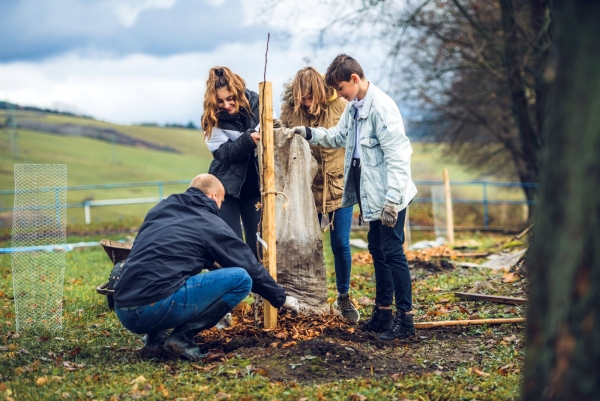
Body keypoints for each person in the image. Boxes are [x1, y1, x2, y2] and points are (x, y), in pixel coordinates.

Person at [284, 54, 417, 341]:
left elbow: (399, 157)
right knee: (378, 251)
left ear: (354, 79)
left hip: (389, 196)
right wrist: (306, 132)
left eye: (341, 88)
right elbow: (336, 137)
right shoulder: (355, 108)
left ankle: (405, 323)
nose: (340, 95)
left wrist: (392, 201)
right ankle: (382, 315)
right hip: (370, 194)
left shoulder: (381, 108)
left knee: (393, 252)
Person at [113, 174, 298, 360]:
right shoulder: (210, 222)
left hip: (124, 309)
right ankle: (181, 339)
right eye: (222, 201)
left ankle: (154, 340)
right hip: (153, 309)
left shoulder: (161, 209)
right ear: (214, 197)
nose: (221, 207)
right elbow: (248, 266)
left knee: (166, 273)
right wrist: (280, 298)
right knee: (241, 279)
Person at [279, 67, 359, 323]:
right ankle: (301, 295)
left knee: (340, 245)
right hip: (304, 189)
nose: (307, 103)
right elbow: (281, 138)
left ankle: (344, 296)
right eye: (302, 98)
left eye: (310, 97)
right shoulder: (290, 111)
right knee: (301, 242)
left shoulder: (341, 108)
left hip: (338, 186)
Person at [202, 67, 262, 259]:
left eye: (230, 98)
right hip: (226, 188)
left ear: (238, 92)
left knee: (258, 244)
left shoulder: (259, 103)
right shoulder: (211, 119)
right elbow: (226, 154)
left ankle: (258, 286)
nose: (226, 105)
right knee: (232, 244)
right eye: (220, 101)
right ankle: (238, 285)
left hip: (256, 188)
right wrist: (248, 139)